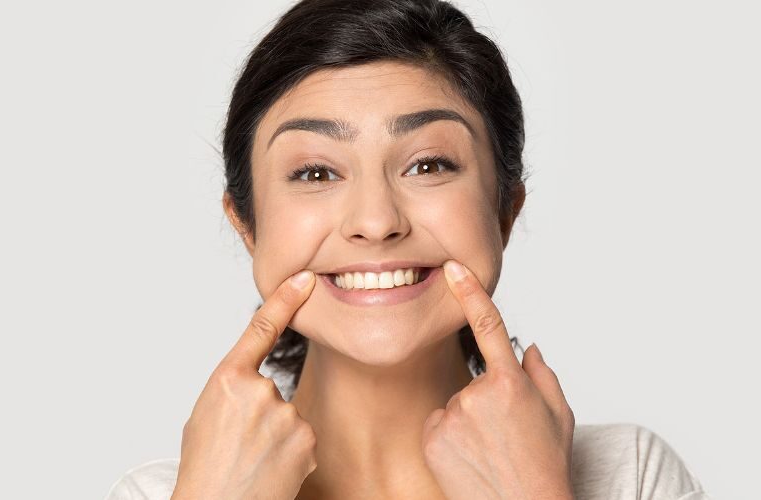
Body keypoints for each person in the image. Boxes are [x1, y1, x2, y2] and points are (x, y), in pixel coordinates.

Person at [106, 1, 712, 499]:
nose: (376, 221)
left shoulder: (630, 477)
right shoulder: (165, 494)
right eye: (315, 173)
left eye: (428, 164)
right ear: (247, 224)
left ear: (506, 210)